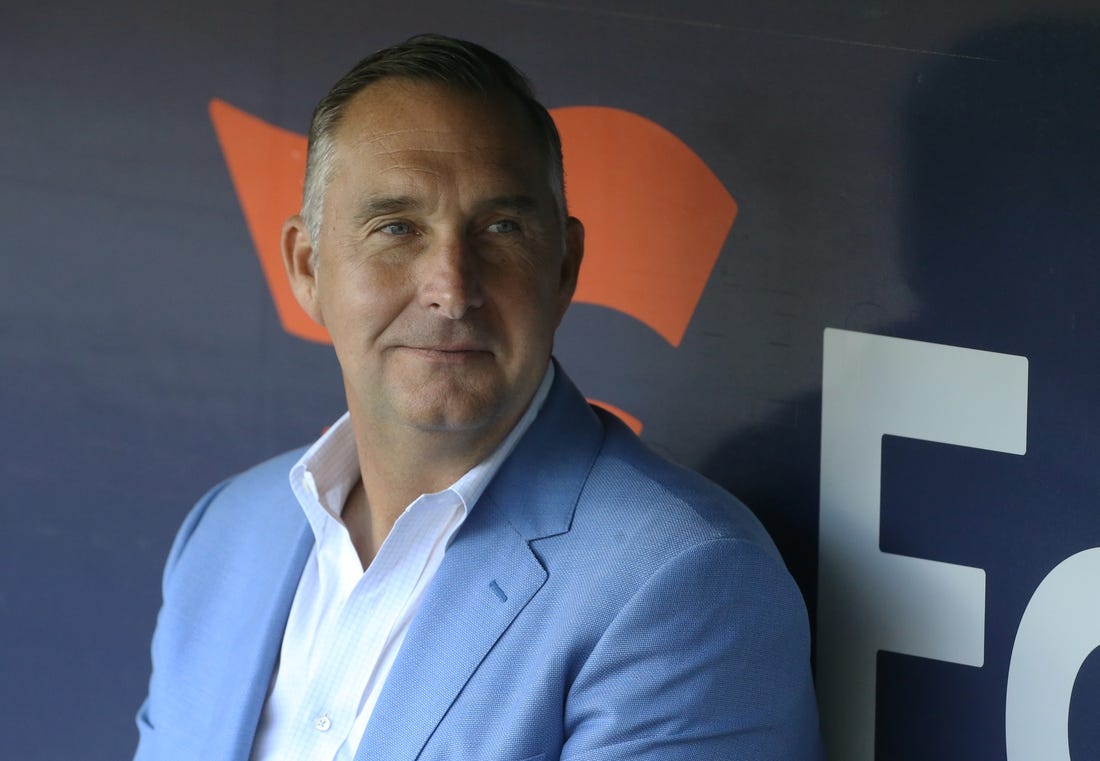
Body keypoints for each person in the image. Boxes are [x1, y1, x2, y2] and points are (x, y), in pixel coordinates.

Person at [134, 33, 822, 761]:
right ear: (307, 268)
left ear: (563, 267)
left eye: (501, 228)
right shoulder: (226, 532)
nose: (452, 288)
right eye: (396, 228)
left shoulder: (686, 581)